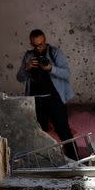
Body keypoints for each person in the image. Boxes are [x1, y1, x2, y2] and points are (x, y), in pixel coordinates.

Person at [16, 29, 78, 160]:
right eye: (35, 45)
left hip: (54, 99)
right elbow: (20, 78)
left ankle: (76, 161)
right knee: (39, 134)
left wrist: (51, 68)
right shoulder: (28, 56)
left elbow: (66, 74)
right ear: (31, 44)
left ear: (45, 41)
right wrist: (26, 68)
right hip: (36, 101)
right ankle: (42, 161)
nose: (39, 48)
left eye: (41, 44)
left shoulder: (55, 53)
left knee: (64, 131)